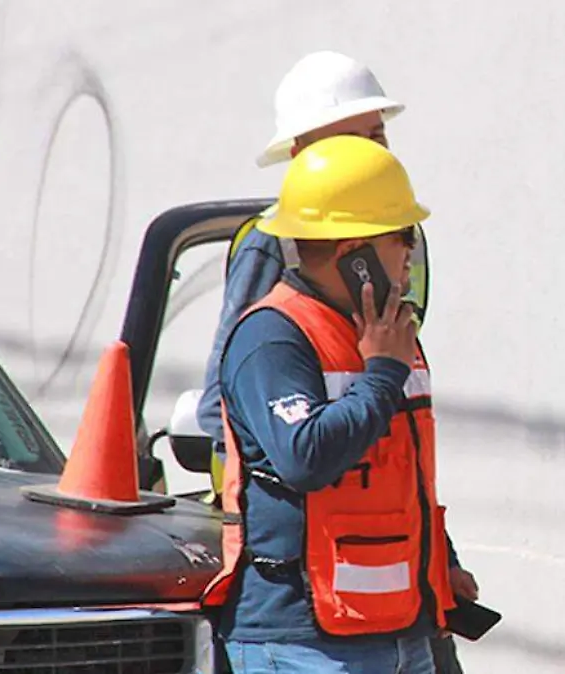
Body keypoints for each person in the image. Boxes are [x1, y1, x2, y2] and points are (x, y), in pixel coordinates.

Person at [196, 51, 475, 671]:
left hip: (401, 623)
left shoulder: (385, 331)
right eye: (400, 235)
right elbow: (301, 454)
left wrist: (440, 560)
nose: (412, 251)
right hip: (304, 633)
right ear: (352, 250)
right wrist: (380, 377)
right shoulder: (277, 328)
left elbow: (404, 467)